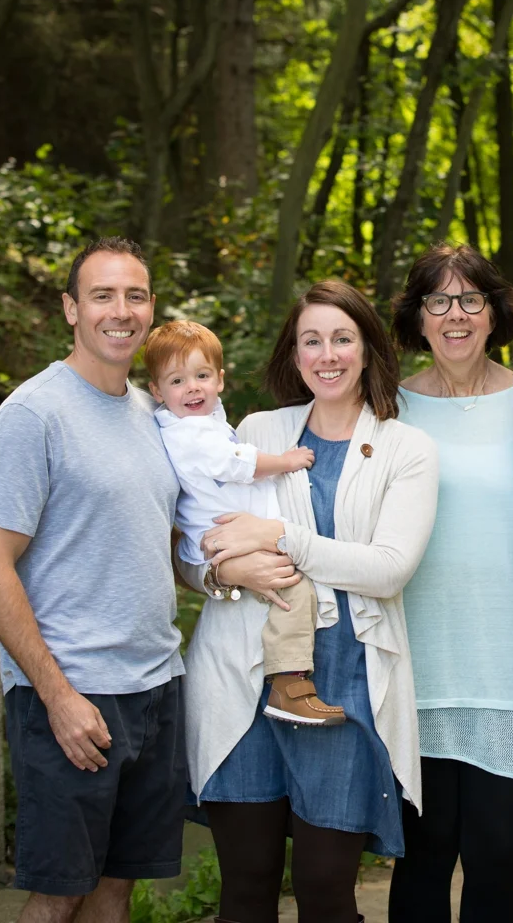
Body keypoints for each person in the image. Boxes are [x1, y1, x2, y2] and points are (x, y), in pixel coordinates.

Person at [173, 280, 438, 923]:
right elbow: (196, 545)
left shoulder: (407, 448)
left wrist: (277, 537)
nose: (327, 355)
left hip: (345, 682)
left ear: (368, 350)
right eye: (311, 341)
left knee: (325, 889)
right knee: (247, 882)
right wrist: (222, 575)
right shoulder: (258, 432)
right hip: (241, 675)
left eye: (342, 339)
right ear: (294, 356)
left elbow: (388, 569)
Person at [0, 236, 186, 923]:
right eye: (102, 295)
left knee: (117, 888)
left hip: (155, 686)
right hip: (73, 693)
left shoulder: (155, 414)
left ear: (150, 307)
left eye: (135, 295)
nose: (120, 311)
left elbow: (162, 544)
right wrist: (56, 695)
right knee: (59, 893)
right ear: (70, 308)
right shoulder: (34, 414)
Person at [388, 243, 513, 923]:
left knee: (497, 863)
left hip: (512, 661)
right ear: (420, 316)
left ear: (496, 314)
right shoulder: (390, 407)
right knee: (421, 861)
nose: (456, 314)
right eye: (439, 300)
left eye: (472, 300)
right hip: (416, 670)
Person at [147, 319, 346, 727]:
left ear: (220, 379)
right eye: (178, 381)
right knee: (294, 589)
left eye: (202, 376)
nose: (193, 388)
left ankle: (285, 680)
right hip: (226, 536)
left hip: (226, 534)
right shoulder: (190, 434)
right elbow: (239, 465)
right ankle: (289, 685)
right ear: (157, 392)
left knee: (287, 592)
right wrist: (287, 460)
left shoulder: (203, 423)